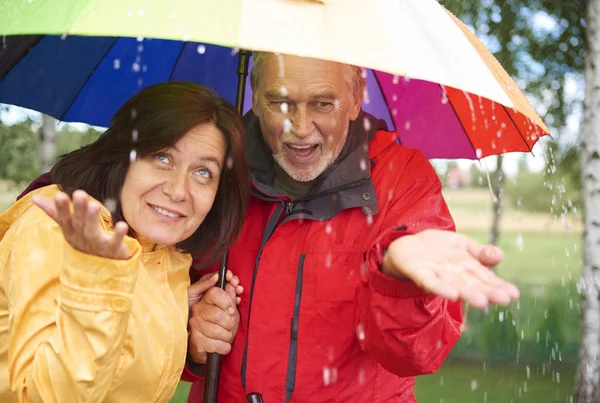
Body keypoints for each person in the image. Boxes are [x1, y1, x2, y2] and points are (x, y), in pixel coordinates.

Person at [182, 53, 520, 403]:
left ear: (357, 97)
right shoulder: (211, 169)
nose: (299, 127)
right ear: (254, 93)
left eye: (322, 103)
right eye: (280, 102)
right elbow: (155, 307)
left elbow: (416, 354)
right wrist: (192, 342)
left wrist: (398, 280)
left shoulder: (403, 179)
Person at [0, 82, 249, 402]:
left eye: (203, 172)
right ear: (122, 156)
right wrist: (93, 285)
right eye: (162, 157)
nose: (177, 190)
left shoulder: (166, 254)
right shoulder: (55, 230)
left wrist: (168, 315)